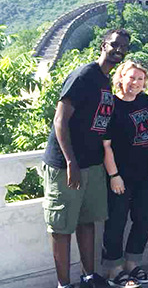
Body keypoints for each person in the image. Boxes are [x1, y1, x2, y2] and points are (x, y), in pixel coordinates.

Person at [42, 28, 131, 288]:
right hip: (66, 165)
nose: (119, 49)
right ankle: (63, 284)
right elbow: (60, 120)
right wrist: (70, 162)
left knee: (87, 221)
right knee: (61, 227)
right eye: (115, 44)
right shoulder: (84, 75)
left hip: (92, 164)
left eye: (124, 46)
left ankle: (89, 277)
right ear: (103, 45)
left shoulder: (105, 80)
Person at [101, 61, 148, 287]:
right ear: (121, 77)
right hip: (120, 175)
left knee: (146, 218)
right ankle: (114, 270)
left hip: (144, 174)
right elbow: (106, 146)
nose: (135, 83)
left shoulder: (145, 101)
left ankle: (132, 264)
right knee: (116, 222)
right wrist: (114, 175)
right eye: (131, 77)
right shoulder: (112, 106)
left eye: (140, 79)